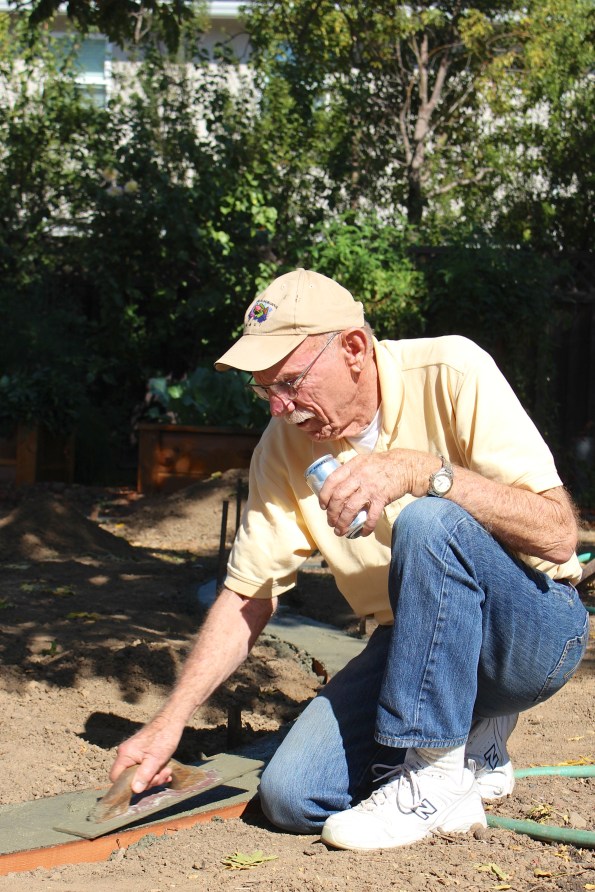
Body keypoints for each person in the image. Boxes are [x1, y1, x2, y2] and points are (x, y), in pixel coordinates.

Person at [110, 268, 588, 851]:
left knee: (430, 517)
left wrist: (424, 472)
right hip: (417, 644)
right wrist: (170, 720)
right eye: (265, 390)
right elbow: (246, 595)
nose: (282, 408)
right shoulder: (282, 449)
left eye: (289, 382)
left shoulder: (452, 370)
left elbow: (561, 535)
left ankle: (433, 774)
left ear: (354, 349)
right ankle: (470, 739)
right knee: (291, 795)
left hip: (533, 632)